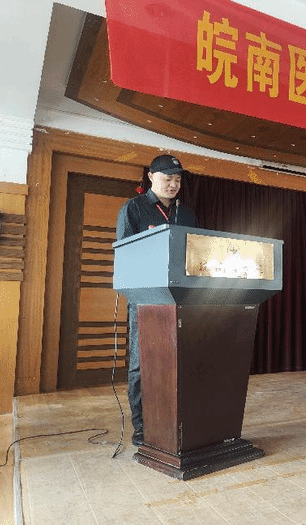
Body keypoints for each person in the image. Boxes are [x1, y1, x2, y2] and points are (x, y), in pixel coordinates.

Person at [116, 154, 198, 446]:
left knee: (179, 363)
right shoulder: (134, 208)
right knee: (143, 365)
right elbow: (125, 257)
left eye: (178, 180)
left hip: (181, 300)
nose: (173, 185)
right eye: (167, 179)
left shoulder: (186, 214)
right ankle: (142, 426)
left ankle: (177, 421)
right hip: (146, 301)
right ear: (151, 177)